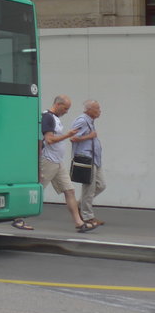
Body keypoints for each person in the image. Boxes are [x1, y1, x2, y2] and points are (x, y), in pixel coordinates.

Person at [36, 94, 92, 232]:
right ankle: (18, 217)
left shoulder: (55, 118)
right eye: (66, 108)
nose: (66, 111)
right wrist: (68, 135)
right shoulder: (47, 117)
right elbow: (49, 139)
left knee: (70, 190)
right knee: (37, 190)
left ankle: (79, 223)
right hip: (48, 161)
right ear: (58, 104)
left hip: (58, 162)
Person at [70, 100, 106, 228]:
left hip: (95, 159)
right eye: (97, 108)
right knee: (89, 189)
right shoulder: (82, 120)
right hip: (86, 159)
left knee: (101, 185)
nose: (99, 111)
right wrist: (90, 136)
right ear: (89, 110)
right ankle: (87, 217)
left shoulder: (90, 121)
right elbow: (72, 138)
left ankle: (80, 205)